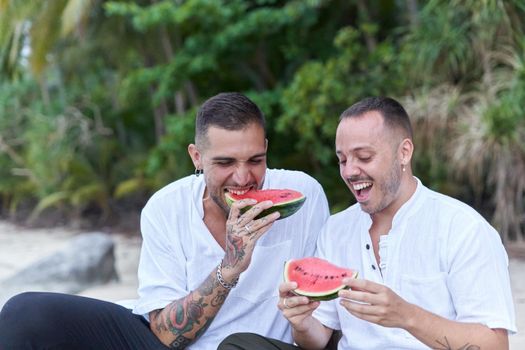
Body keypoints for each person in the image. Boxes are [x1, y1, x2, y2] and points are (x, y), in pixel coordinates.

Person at [0, 92, 330, 349]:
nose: (244, 178)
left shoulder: (304, 195)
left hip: (256, 347)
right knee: (24, 313)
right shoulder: (165, 208)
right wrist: (230, 268)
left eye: (256, 160)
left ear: (267, 150)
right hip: (171, 345)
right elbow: (165, 336)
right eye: (225, 162)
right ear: (196, 157)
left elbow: (323, 320)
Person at [218, 96, 517, 350]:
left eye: (363, 157)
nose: (350, 171)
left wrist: (406, 316)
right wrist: (302, 321)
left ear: (404, 152)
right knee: (238, 345)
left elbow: (495, 344)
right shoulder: (336, 230)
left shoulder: (463, 229)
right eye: (342, 159)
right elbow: (319, 339)